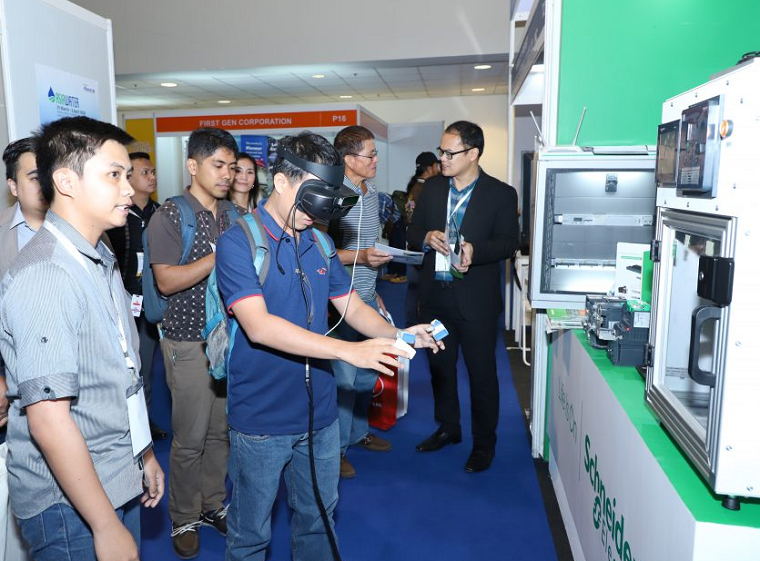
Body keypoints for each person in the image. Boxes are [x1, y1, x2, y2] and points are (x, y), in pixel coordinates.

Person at [215, 131, 443, 561]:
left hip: (320, 415)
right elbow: (259, 327)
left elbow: (352, 307)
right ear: (281, 181)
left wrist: (399, 334)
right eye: (313, 197)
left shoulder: (319, 242)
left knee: (319, 521)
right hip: (260, 418)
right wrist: (347, 351)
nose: (318, 212)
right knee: (250, 535)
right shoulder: (238, 242)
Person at [0, 116, 164, 561]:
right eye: (114, 175)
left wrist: (143, 453)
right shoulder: (46, 274)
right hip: (69, 502)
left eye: (127, 175)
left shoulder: (97, 252)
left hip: (112, 470)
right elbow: (49, 421)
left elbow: (119, 371)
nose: (128, 189)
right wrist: (104, 525)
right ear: (66, 182)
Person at [146, 127, 238, 558]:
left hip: (228, 339)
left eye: (231, 166)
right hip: (186, 342)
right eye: (218, 165)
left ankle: (212, 503)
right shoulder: (169, 216)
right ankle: (183, 516)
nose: (227, 174)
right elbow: (166, 281)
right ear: (192, 166)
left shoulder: (233, 215)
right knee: (190, 438)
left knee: (221, 432)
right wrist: (218, 257)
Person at [407, 120, 519, 473]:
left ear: (473, 154)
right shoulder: (432, 189)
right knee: (440, 370)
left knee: (482, 376)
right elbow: (411, 230)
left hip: (476, 304)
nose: (442, 158)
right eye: (440, 151)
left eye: (449, 152)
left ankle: (484, 444)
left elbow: (509, 243)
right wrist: (426, 237)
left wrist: (475, 249)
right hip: (436, 299)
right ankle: (448, 428)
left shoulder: (501, 194)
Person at [328, 125, 393, 479]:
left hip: (367, 295)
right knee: (345, 379)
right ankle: (335, 450)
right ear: (350, 160)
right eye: (371, 154)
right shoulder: (333, 196)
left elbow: (370, 248)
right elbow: (321, 252)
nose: (376, 160)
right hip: (339, 303)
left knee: (367, 376)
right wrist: (362, 257)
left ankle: (358, 433)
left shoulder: (372, 193)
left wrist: (374, 283)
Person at [0, 137, 47, 561]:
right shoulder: (1, 237)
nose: (45, 182)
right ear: (13, 186)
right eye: (34, 176)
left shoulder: (88, 234)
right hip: (14, 389)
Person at [106, 151, 166, 440]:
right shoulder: (115, 217)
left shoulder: (163, 214)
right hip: (122, 302)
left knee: (148, 366)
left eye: (153, 172)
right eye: (145, 172)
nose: (152, 177)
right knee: (127, 368)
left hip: (154, 301)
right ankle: (126, 426)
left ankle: (145, 424)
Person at [404, 151, 440, 325]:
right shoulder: (428, 190)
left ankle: (411, 326)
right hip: (424, 249)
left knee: (413, 291)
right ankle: (420, 327)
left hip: (412, 247)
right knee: (424, 293)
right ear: (431, 168)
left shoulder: (413, 188)